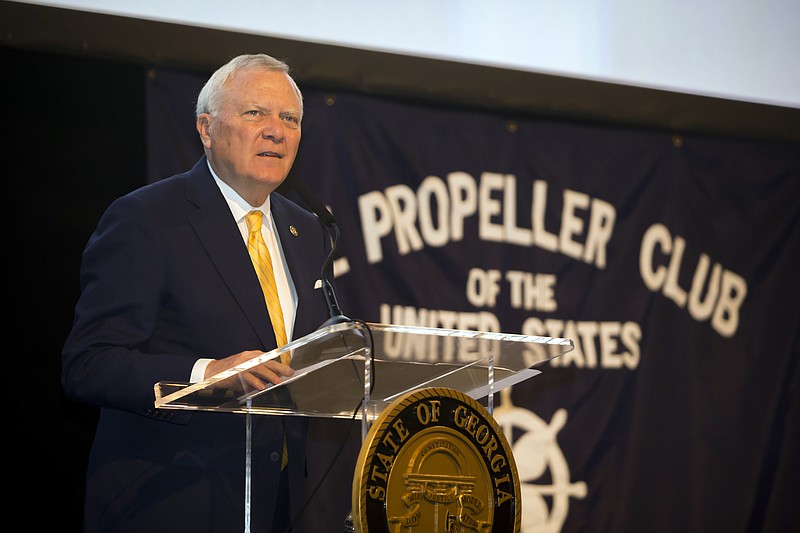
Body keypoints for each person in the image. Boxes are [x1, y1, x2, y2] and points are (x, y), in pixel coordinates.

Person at [62, 53, 332, 532]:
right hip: (170, 503)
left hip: (281, 508)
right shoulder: (147, 219)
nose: (276, 130)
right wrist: (207, 375)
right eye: (256, 113)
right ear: (206, 129)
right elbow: (89, 364)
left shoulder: (306, 230)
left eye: (289, 118)